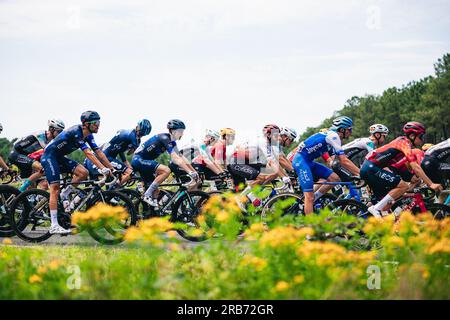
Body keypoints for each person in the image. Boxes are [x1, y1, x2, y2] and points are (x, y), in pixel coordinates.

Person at [41, 111, 116, 234]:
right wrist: (102, 169)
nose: (98, 125)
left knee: (83, 173)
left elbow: (99, 153)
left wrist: (111, 168)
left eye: (99, 122)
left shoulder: (89, 135)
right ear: (86, 124)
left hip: (59, 157)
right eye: (95, 123)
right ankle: (54, 225)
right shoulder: (76, 132)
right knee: (54, 188)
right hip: (49, 157)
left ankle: (65, 193)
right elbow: (88, 153)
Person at [360, 121, 443, 218]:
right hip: (370, 168)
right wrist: (431, 184)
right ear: (412, 136)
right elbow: (415, 166)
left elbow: (405, 166)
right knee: (403, 187)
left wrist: (413, 178)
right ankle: (375, 209)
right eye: (421, 137)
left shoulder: (404, 144)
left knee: (389, 202)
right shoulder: (403, 143)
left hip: (370, 168)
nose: (422, 140)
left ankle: (379, 223)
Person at [292, 116, 360, 215]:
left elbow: (336, 161)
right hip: (300, 161)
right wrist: (360, 173)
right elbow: (344, 160)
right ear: (342, 129)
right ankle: (310, 227)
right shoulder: (333, 136)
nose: (350, 132)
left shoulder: (332, 137)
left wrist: (348, 173)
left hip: (309, 162)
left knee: (335, 179)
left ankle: (313, 199)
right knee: (309, 196)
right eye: (349, 129)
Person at [131, 119, 200, 206]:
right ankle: (147, 195)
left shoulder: (172, 143)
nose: (182, 134)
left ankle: (152, 212)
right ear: (173, 131)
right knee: (166, 170)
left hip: (145, 162)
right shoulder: (165, 138)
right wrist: (189, 172)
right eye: (180, 131)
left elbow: (181, 157)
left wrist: (193, 171)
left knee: (156, 191)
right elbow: (175, 159)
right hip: (139, 160)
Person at [84, 119, 152, 185]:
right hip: (108, 157)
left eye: (143, 135)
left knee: (111, 178)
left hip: (108, 155)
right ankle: (114, 189)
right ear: (138, 128)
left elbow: (120, 150)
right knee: (130, 173)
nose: (141, 136)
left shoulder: (130, 133)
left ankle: (101, 193)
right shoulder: (133, 138)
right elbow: (130, 153)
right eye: (141, 133)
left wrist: (126, 163)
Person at [9, 119, 65, 191]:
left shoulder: (50, 140)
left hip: (24, 156)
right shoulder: (41, 135)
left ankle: (22, 198)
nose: (60, 134)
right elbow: (48, 151)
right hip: (16, 154)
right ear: (52, 129)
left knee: (32, 186)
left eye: (61, 132)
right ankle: (19, 192)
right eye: (59, 131)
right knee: (42, 169)